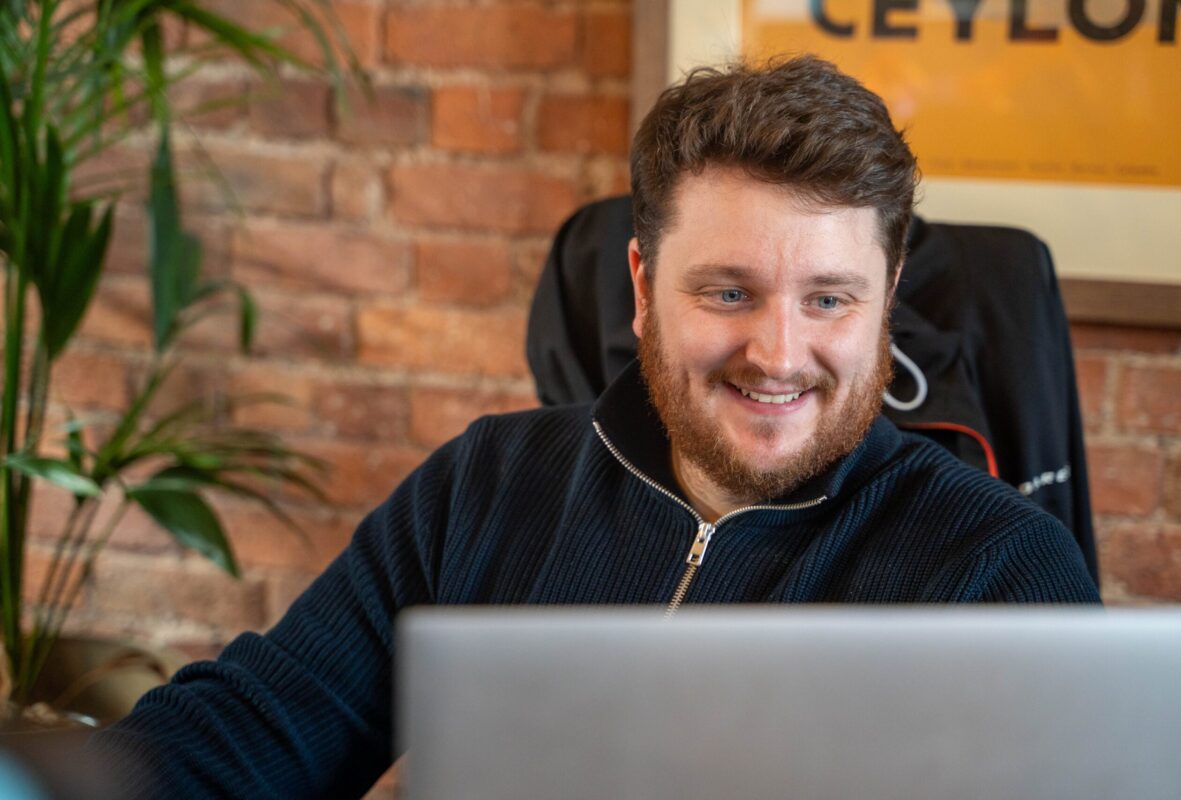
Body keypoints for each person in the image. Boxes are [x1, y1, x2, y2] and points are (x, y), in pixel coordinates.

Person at [96, 56, 1100, 797]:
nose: (779, 352)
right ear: (642, 288)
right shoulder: (489, 482)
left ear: (887, 298)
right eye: (729, 291)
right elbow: (253, 729)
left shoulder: (999, 574)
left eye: (830, 300)